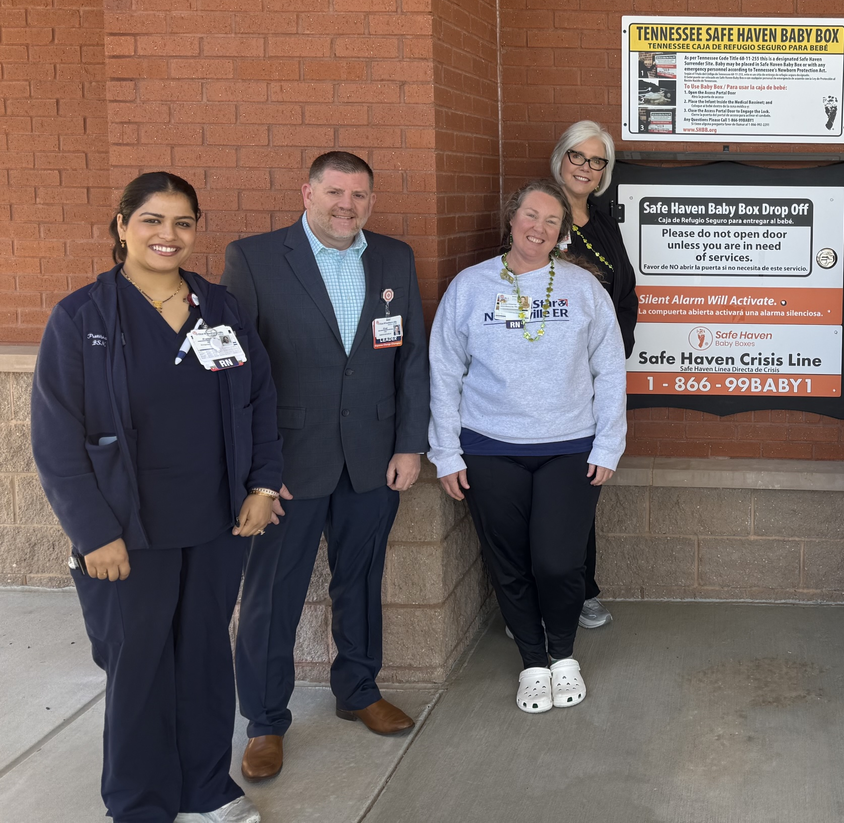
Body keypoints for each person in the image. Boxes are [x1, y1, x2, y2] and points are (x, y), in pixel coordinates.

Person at [31, 172, 283, 823]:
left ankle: (206, 790)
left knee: (202, 658)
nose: (168, 236)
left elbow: (259, 400)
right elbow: (56, 437)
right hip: (128, 532)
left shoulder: (220, 309)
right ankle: (140, 804)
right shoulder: (82, 317)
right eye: (152, 220)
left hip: (214, 522)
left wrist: (261, 483)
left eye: (182, 223)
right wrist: (93, 533)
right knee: (138, 668)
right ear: (122, 226)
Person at [225, 151, 430, 782]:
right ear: (307, 192)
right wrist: (258, 469)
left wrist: (409, 444)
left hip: (372, 459)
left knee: (360, 581)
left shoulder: (395, 257)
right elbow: (236, 373)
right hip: (287, 464)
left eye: (360, 196)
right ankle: (264, 722)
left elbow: (411, 359)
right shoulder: (255, 258)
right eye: (335, 192)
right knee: (270, 597)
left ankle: (358, 691)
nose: (348, 206)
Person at [429, 179, 626, 714]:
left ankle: (564, 654)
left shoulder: (584, 289)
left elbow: (609, 368)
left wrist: (608, 443)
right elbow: (445, 371)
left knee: (558, 562)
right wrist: (446, 452)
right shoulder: (469, 287)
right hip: (489, 447)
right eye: (531, 216)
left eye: (552, 222)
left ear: (561, 235)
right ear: (511, 219)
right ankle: (534, 663)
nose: (539, 228)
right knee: (509, 562)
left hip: (569, 446)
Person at [551, 120, 638, 631]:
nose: (585, 167)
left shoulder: (602, 218)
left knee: (585, 483)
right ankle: (564, 591)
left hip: (598, 375)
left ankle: (583, 588)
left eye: (596, 160)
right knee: (559, 485)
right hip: (553, 376)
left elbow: (625, 294)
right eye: (577, 157)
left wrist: (612, 353)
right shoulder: (540, 213)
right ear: (560, 158)